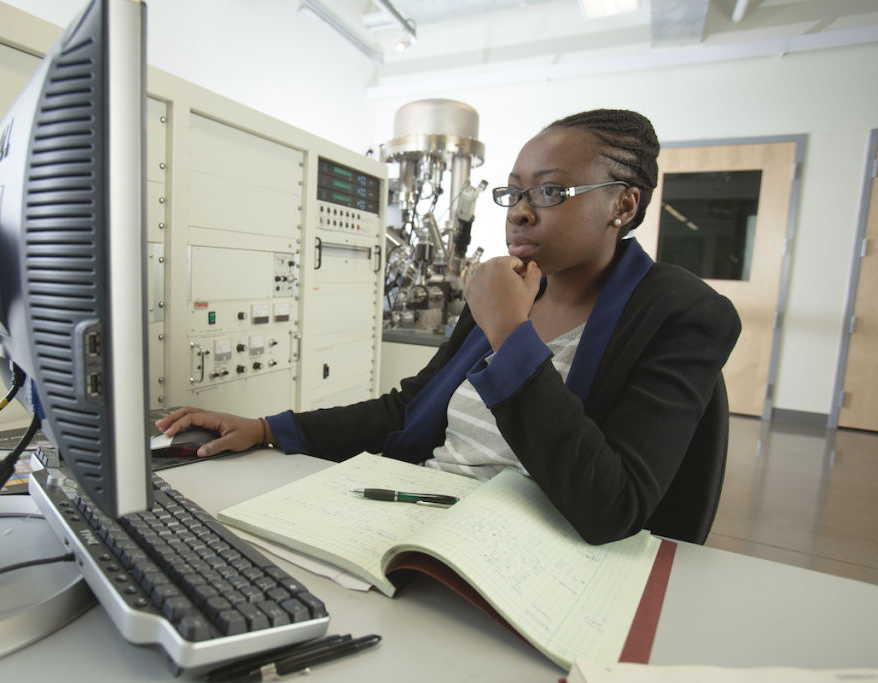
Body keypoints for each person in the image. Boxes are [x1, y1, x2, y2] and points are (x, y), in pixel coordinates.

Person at [156, 109, 741, 545]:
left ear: (623, 205)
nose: (519, 209)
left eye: (552, 191)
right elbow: (405, 412)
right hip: (422, 520)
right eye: (514, 191)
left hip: (538, 549)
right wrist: (265, 428)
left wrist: (512, 332)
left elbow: (612, 504)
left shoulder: (683, 315)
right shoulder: (509, 291)